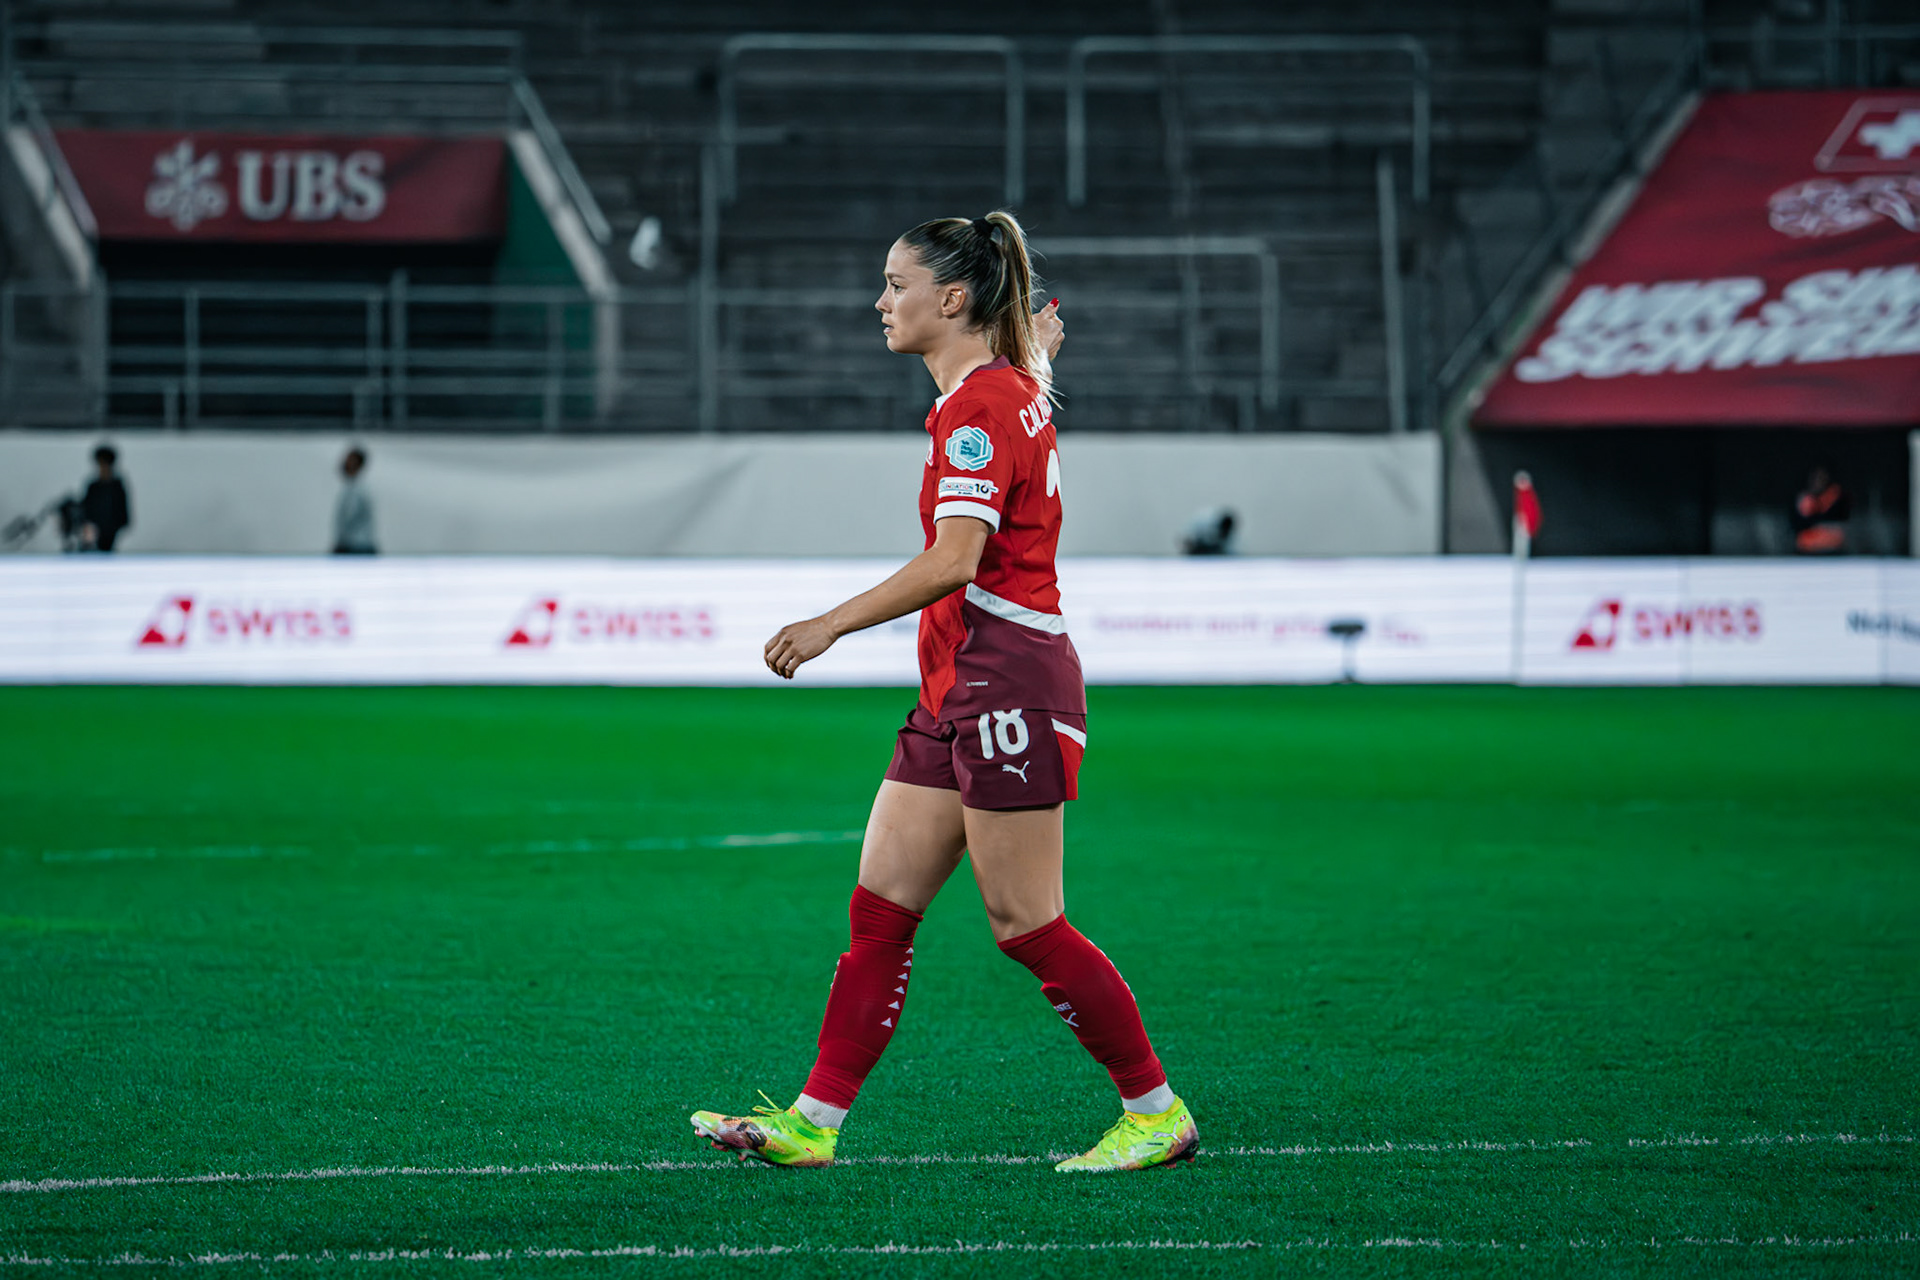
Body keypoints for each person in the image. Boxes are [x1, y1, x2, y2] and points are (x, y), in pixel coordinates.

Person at [689, 211, 1197, 1174]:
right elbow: (1025, 395)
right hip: (953, 687)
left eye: (896, 284)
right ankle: (814, 1121)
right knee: (881, 908)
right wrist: (1036, 351)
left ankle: (1155, 1110)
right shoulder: (1002, 389)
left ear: (952, 298)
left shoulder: (979, 408)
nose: (881, 302)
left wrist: (830, 622)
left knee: (1025, 924)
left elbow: (956, 558)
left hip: (1007, 684)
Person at [79, 444, 131, 552]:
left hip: (109, 535)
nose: (102, 467)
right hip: (93, 536)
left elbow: (123, 515)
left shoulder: (117, 487)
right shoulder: (93, 487)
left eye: (104, 464)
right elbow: (86, 509)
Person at [1791, 466, 1848, 555]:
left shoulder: (1836, 496)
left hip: (1833, 549)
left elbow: (1841, 520)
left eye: (1822, 477)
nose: (1819, 481)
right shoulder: (1805, 499)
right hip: (1808, 550)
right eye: (1816, 478)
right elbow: (1799, 524)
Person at [332, 446, 378, 555]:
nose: (345, 463)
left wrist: (340, 545)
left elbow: (348, 519)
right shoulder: (353, 487)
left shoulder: (357, 489)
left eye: (349, 460)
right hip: (357, 546)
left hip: (356, 548)